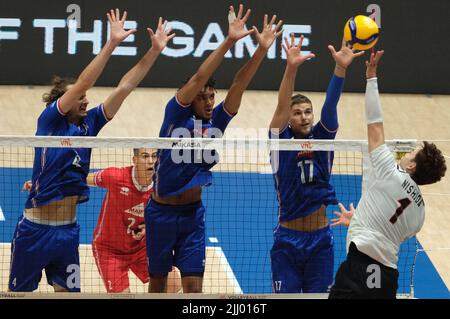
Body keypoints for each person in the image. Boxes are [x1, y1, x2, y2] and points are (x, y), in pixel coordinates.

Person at [8, 11, 175, 292]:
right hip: (34, 230)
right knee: (19, 294)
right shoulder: (49, 122)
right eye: (80, 98)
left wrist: (154, 51)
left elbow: (126, 86)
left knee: (69, 295)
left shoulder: (89, 125)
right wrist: (111, 44)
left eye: (86, 99)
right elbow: (83, 83)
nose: (86, 101)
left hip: (68, 232)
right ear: (65, 100)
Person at [145, 5, 283, 293]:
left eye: (212, 97)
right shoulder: (175, 115)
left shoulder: (217, 120)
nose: (209, 102)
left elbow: (239, 84)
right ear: (190, 99)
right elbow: (197, 77)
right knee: (157, 285)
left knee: (195, 288)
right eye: (202, 98)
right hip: (161, 212)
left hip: (192, 215)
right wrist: (229, 41)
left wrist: (261, 51)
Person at [328, 50, 446, 299]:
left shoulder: (388, 172)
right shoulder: (420, 215)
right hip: (387, 278)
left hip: (358, 268)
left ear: (413, 166)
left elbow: (375, 125)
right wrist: (360, 220)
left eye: (413, 152)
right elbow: (389, 226)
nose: (408, 152)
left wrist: (371, 78)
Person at [268, 35, 364, 293]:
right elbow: (280, 106)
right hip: (288, 241)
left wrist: (340, 68)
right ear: (289, 117)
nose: (304, 117)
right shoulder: (281, 142)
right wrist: (291, 68)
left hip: (320, 241)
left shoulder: (323, 139)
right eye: (297, 112)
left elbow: (330, 105)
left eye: (307, 112)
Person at [88, 148, 182, 293]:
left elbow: (166, 218)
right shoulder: (116, 177)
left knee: (173, 283)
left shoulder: (162, 186)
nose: (150, 161)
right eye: (145, 156)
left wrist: (148, 228)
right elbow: (84, 179)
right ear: (135, 160)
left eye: (154, 156)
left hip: (142, 248)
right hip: (110, 250)